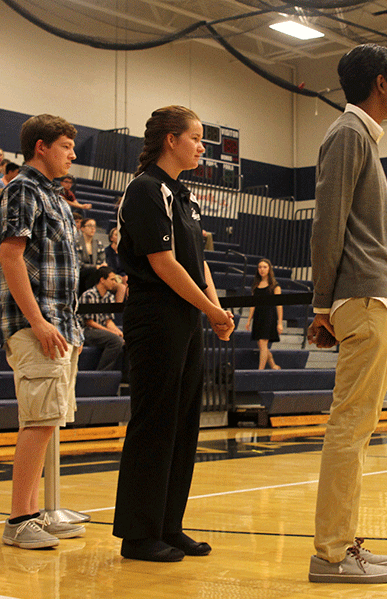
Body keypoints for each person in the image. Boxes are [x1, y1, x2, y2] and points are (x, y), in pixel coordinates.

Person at [305, 44, 387, 585]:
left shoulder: (360, 136)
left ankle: (341, 542)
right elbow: (327, 222)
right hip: (363, 298)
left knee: (357, 429)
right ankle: (330, 554)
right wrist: (322, 305)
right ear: (379, 83)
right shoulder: (347, 134)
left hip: (371, 298)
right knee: (349, 428)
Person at [114, 106, 234, 563]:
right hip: (154, 316)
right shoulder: (145, 190)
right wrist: (210, 309)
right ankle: (138, 534)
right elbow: (163, 264)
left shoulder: (182, 196)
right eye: (197, 138)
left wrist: (215, 309)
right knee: (155, 422)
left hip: (185, 319)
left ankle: (169, 525)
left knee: (184, 423)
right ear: (170, 139)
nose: (202, 147)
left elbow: (196, 261)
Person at [0, 115, 87, 549]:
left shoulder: (54, 196)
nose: (73, 154)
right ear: (41, 147)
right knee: (37, 421)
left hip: (60, 325)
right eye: (66, 146)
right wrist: (38, 321)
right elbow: (10, 257)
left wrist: (69, 328)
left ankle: (33, 513)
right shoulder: (22, 189)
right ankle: (18, 520)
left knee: (48, 419)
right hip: (38, 325)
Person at [78, 266, 126, 372]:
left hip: (101, 331)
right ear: (102, 280)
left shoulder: (109, 297)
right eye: (112, 279)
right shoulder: (88, 295)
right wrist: (110, 332)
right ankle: (102, 372)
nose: (114, 283)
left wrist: (117, 331)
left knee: (123, 338)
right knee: (116, 341)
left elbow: (108, 320)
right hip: (87, 331)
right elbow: (89, 322)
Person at [245, 259, 283, 370]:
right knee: (262, 345)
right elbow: (253, 304)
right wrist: (249, 319)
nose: (262, 269)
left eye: (265, 267)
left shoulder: (275, 286)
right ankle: (273, 365)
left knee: (263, 343)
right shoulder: (256, 285)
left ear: (269, 269)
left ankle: (260, 371)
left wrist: (280, 323)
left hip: (269, 316)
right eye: (260, 267)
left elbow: (279, 305)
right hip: (258, 316)